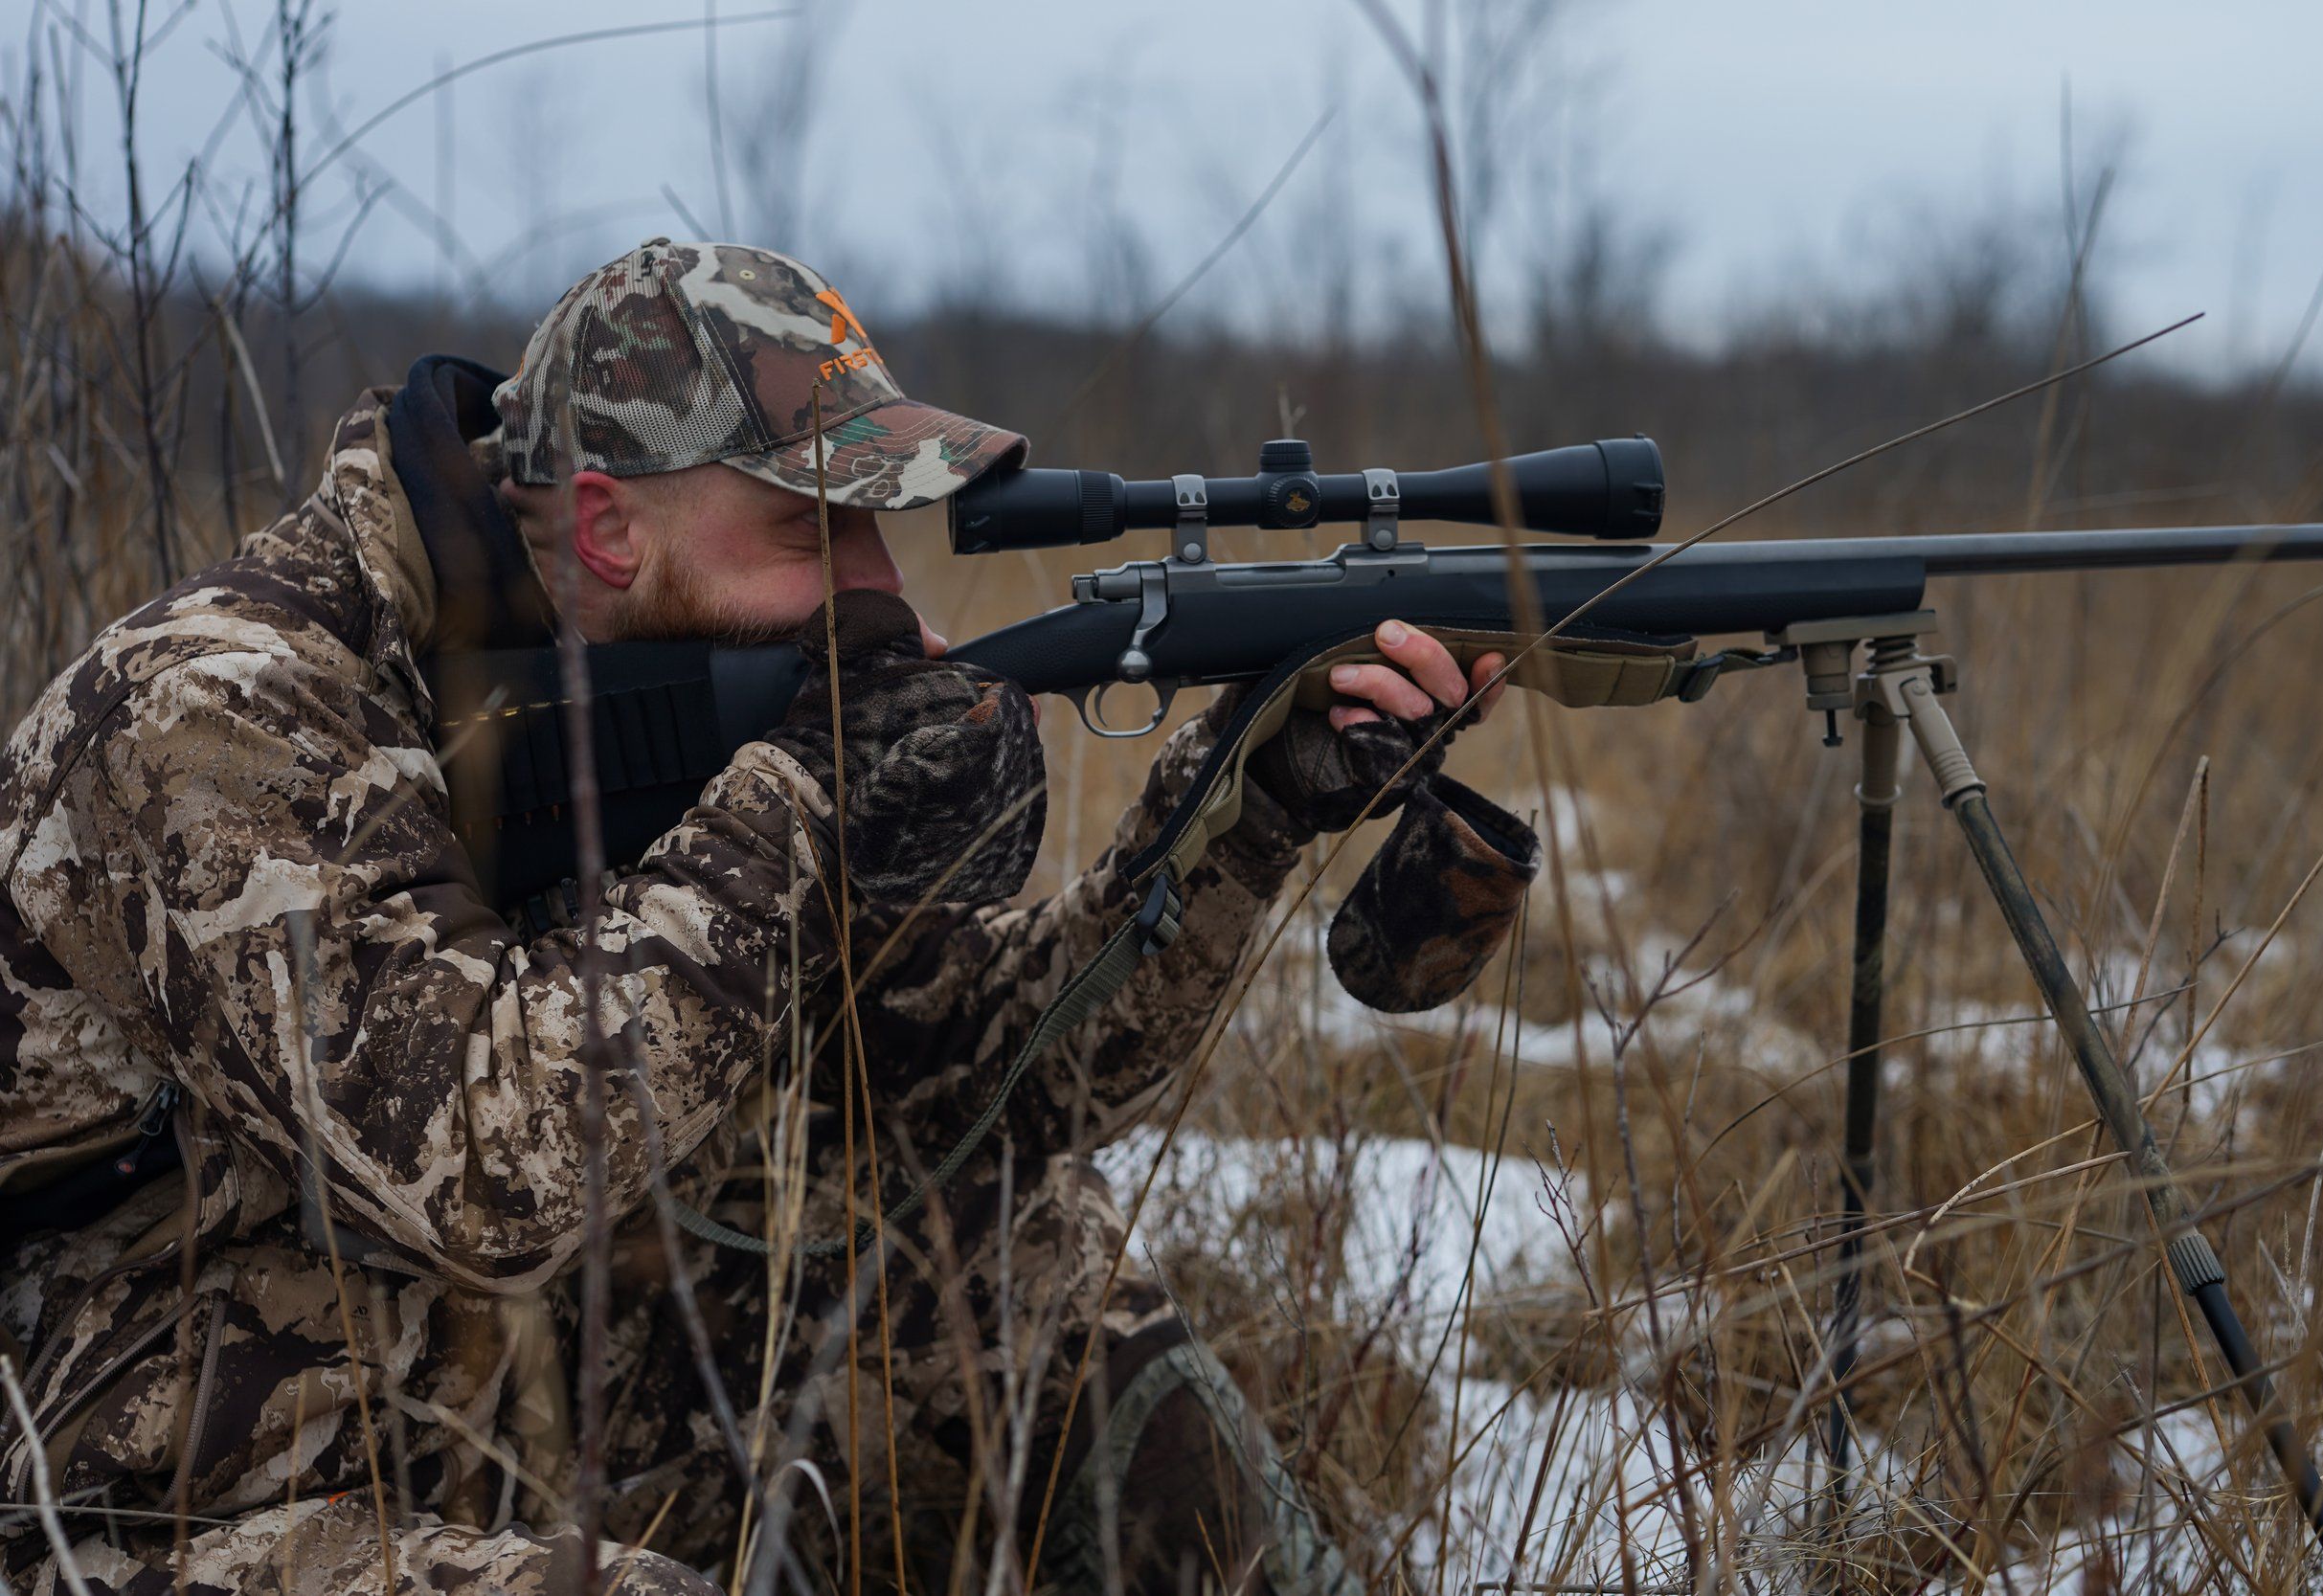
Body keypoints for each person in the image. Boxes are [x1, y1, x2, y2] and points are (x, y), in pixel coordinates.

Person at [0, 239, 1534, 1594]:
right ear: (608, 533)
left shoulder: (658, 686)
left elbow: (974, 1082)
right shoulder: (215, 711)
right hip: (155, 1488)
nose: (874, 589)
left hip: (513, 1376)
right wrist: (804, 796)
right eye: (815, 535)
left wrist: (1246, 818)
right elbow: (486, 1172)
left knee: (1019, 1258)